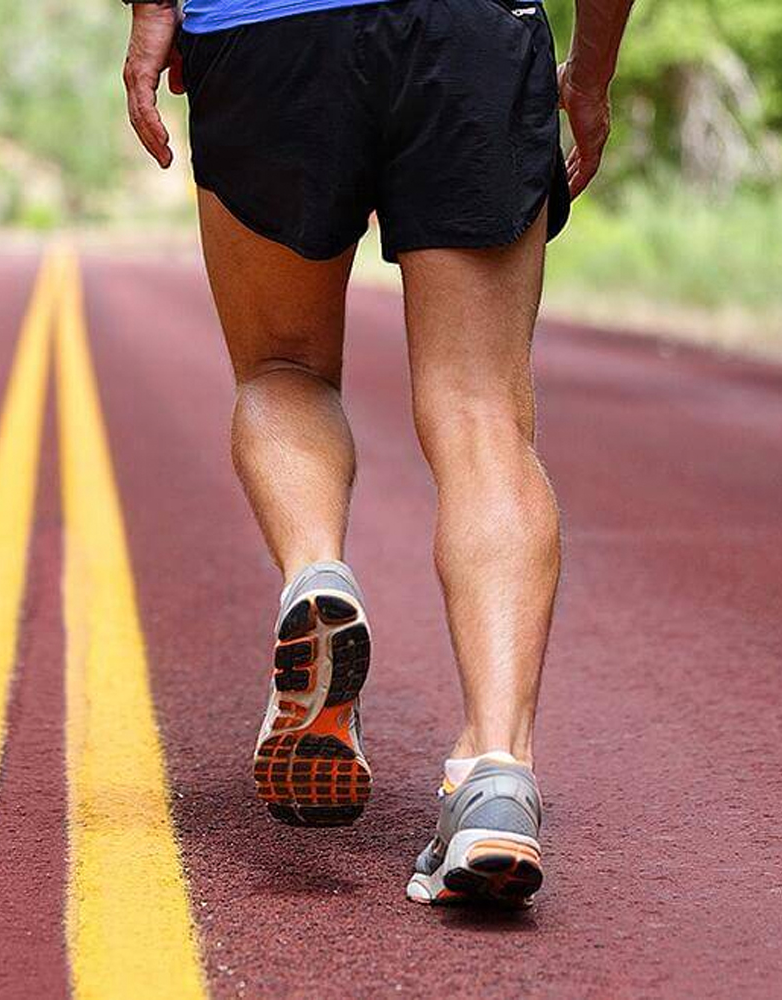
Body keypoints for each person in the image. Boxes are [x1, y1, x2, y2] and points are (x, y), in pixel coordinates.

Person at [122, 0, 632, 906]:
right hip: (467, 31)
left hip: (267, 30)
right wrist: (590, 75)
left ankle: (318, 573)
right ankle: (496, 775)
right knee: (482, 414)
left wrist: (153, 11)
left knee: (283, 367)